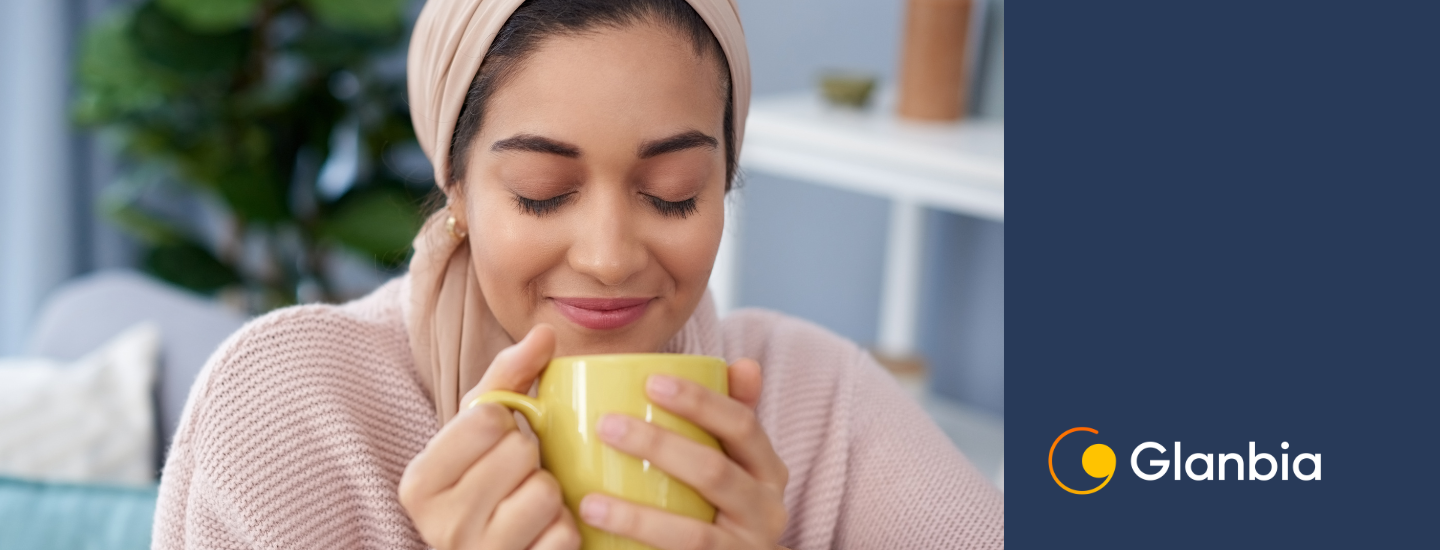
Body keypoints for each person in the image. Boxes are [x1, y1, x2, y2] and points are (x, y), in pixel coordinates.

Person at [151, 0, 1004, 548]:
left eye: (673, 196)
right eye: (542, 193)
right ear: (456, 185)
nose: (607, 256)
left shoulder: (812, 402)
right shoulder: (292, 411)